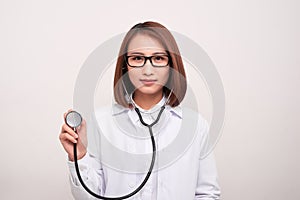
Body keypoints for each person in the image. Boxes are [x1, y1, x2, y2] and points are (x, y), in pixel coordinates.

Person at [59, 21, 221, 200]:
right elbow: (90, 197)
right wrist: (79, 156)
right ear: (125, 65)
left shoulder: (195, 126)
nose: (148, 70)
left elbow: (207, 194)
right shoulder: (101, 122)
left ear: (171, 66)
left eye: (158, 58)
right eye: (137, 58)